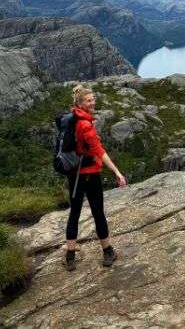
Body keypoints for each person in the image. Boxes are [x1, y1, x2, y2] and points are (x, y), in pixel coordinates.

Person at [64, 84, 127, 271]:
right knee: (98, 212)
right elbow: (99, 151)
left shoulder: (71, 118)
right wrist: (117, 172)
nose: (93, 103)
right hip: (90, 175)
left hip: (73, 176)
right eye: (89, 100)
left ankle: (70, 257)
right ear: (81, 103)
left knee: (74, 213)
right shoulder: (85, 125)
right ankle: (107, 252)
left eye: (93, 99)